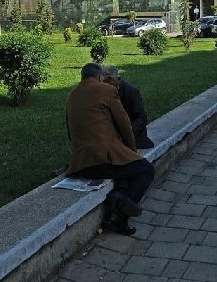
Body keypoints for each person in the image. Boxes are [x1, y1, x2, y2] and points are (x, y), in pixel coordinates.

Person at [65, 62, 155, 236]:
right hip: (102, 160)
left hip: (81, 164)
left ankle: (119, 196)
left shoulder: (72, 96)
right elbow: (125, 125)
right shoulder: (107, 91)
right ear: (100, 77)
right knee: (145, 170)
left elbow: (71, 133)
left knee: (123, 172)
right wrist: (132, 152)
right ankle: (120, 214)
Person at [101, 65, 155, 149]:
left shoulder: (131, 92)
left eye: (110, 80)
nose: (108, 86)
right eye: (105, 83)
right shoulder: (102, 93)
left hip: (132, 135)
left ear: (118, 79)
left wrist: (127, 134)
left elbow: (141, 118)